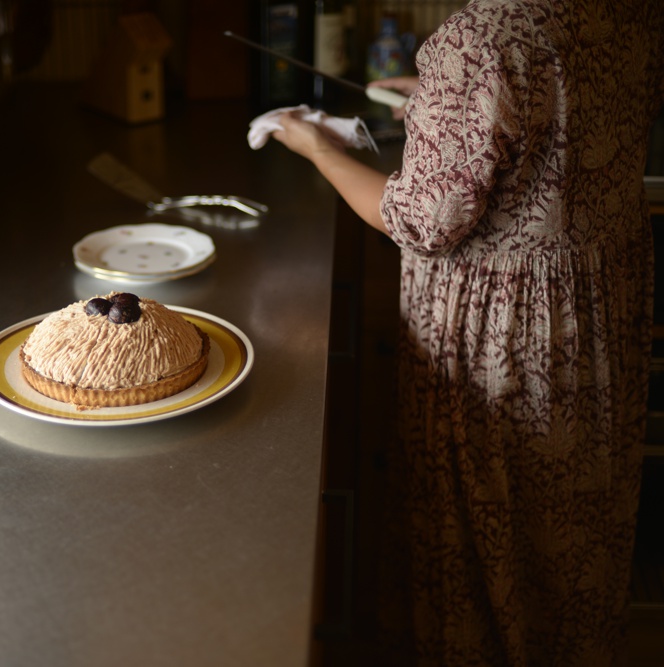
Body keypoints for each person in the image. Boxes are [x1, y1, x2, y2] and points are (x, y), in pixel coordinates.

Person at [267, 0, 664, 664]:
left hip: (503, 344)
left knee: (490, 555)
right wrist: (439, 106)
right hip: (595, 323)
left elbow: (422, 220)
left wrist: (316, 147)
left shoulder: (481, 40)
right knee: (567, 541)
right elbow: (551, 107)